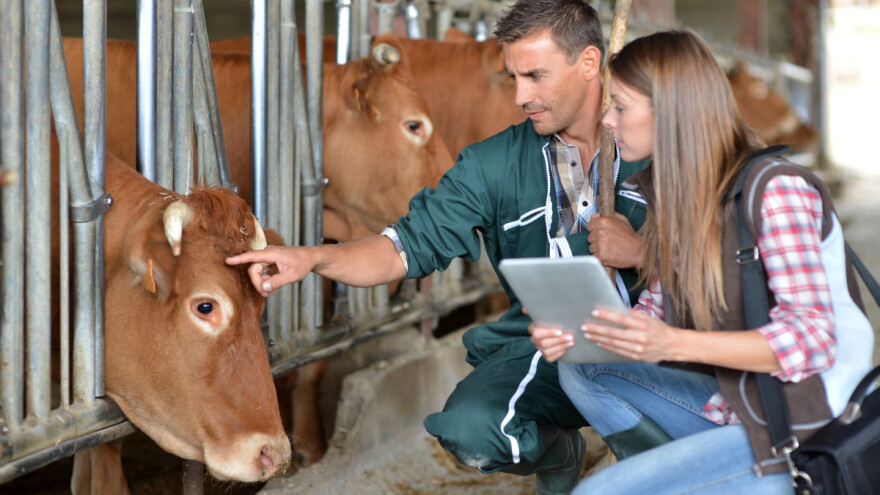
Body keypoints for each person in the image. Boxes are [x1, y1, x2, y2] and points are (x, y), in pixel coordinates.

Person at [227, 1, 652, 493]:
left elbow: (731, 258)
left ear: (589, 62)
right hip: (551, 347)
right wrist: (311, 258)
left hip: (661, 336)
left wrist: (643, 253)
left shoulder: (656, 140)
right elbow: (401, 248)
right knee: (469, 430)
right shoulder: (494, 163)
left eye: (535, 76)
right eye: (513, 77)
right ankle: (559, 453)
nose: (520, 95)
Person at [529, 29, 875, 494]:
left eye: (621, 107)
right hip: (737, 404)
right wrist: (579, 332)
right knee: (584, 367)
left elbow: (810, 339)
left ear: (671, 112)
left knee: (597, 492)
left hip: (806, 426)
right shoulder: (681, 202)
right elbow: (651, 318)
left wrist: (672, 343)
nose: (607, 121)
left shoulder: (775, 191)